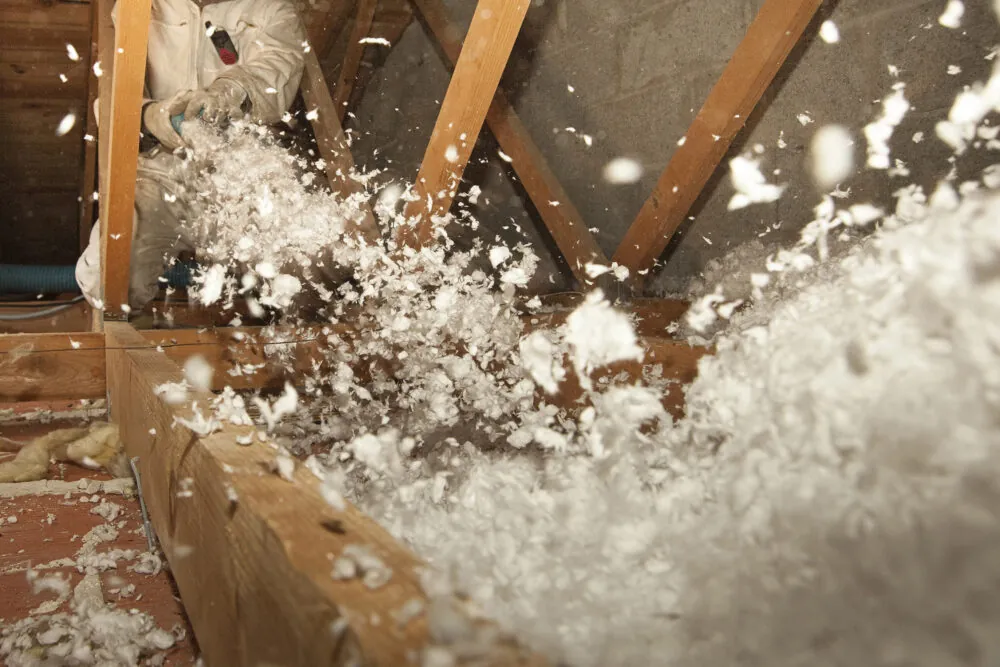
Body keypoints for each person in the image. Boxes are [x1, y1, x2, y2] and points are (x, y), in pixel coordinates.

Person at [76, 0, 306, 311]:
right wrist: (148, 116)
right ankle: (127, 343)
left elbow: (277, 64)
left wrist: (230, 91)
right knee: (108, 279)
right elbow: (111, 92)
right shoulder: (139, 6)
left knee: (308, 273)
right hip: (159, 174)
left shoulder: (270, 8)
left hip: (242, 176)